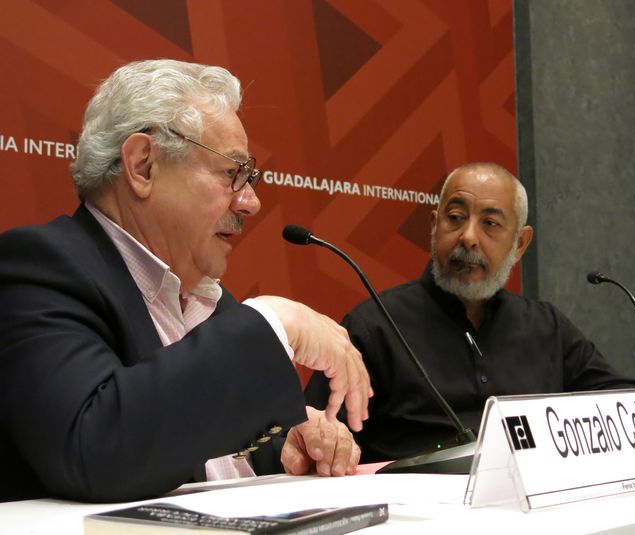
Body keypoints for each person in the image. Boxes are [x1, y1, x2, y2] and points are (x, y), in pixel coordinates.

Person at [0, 59, 372, 503]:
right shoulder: (38, 269)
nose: (251, 202)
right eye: (233, 172)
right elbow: (93, 447)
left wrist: (288, 445)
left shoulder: (206, 300)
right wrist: (274, 321)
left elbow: (192, 442)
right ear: (143, 166)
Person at [305, 162, 635, 463]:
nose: (469, 237)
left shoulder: (545, 327)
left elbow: (621, 398)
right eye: (455, 218)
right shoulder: (372, 326)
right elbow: (312, 433)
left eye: (490, 224)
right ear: (434, 227)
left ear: (521, 244)